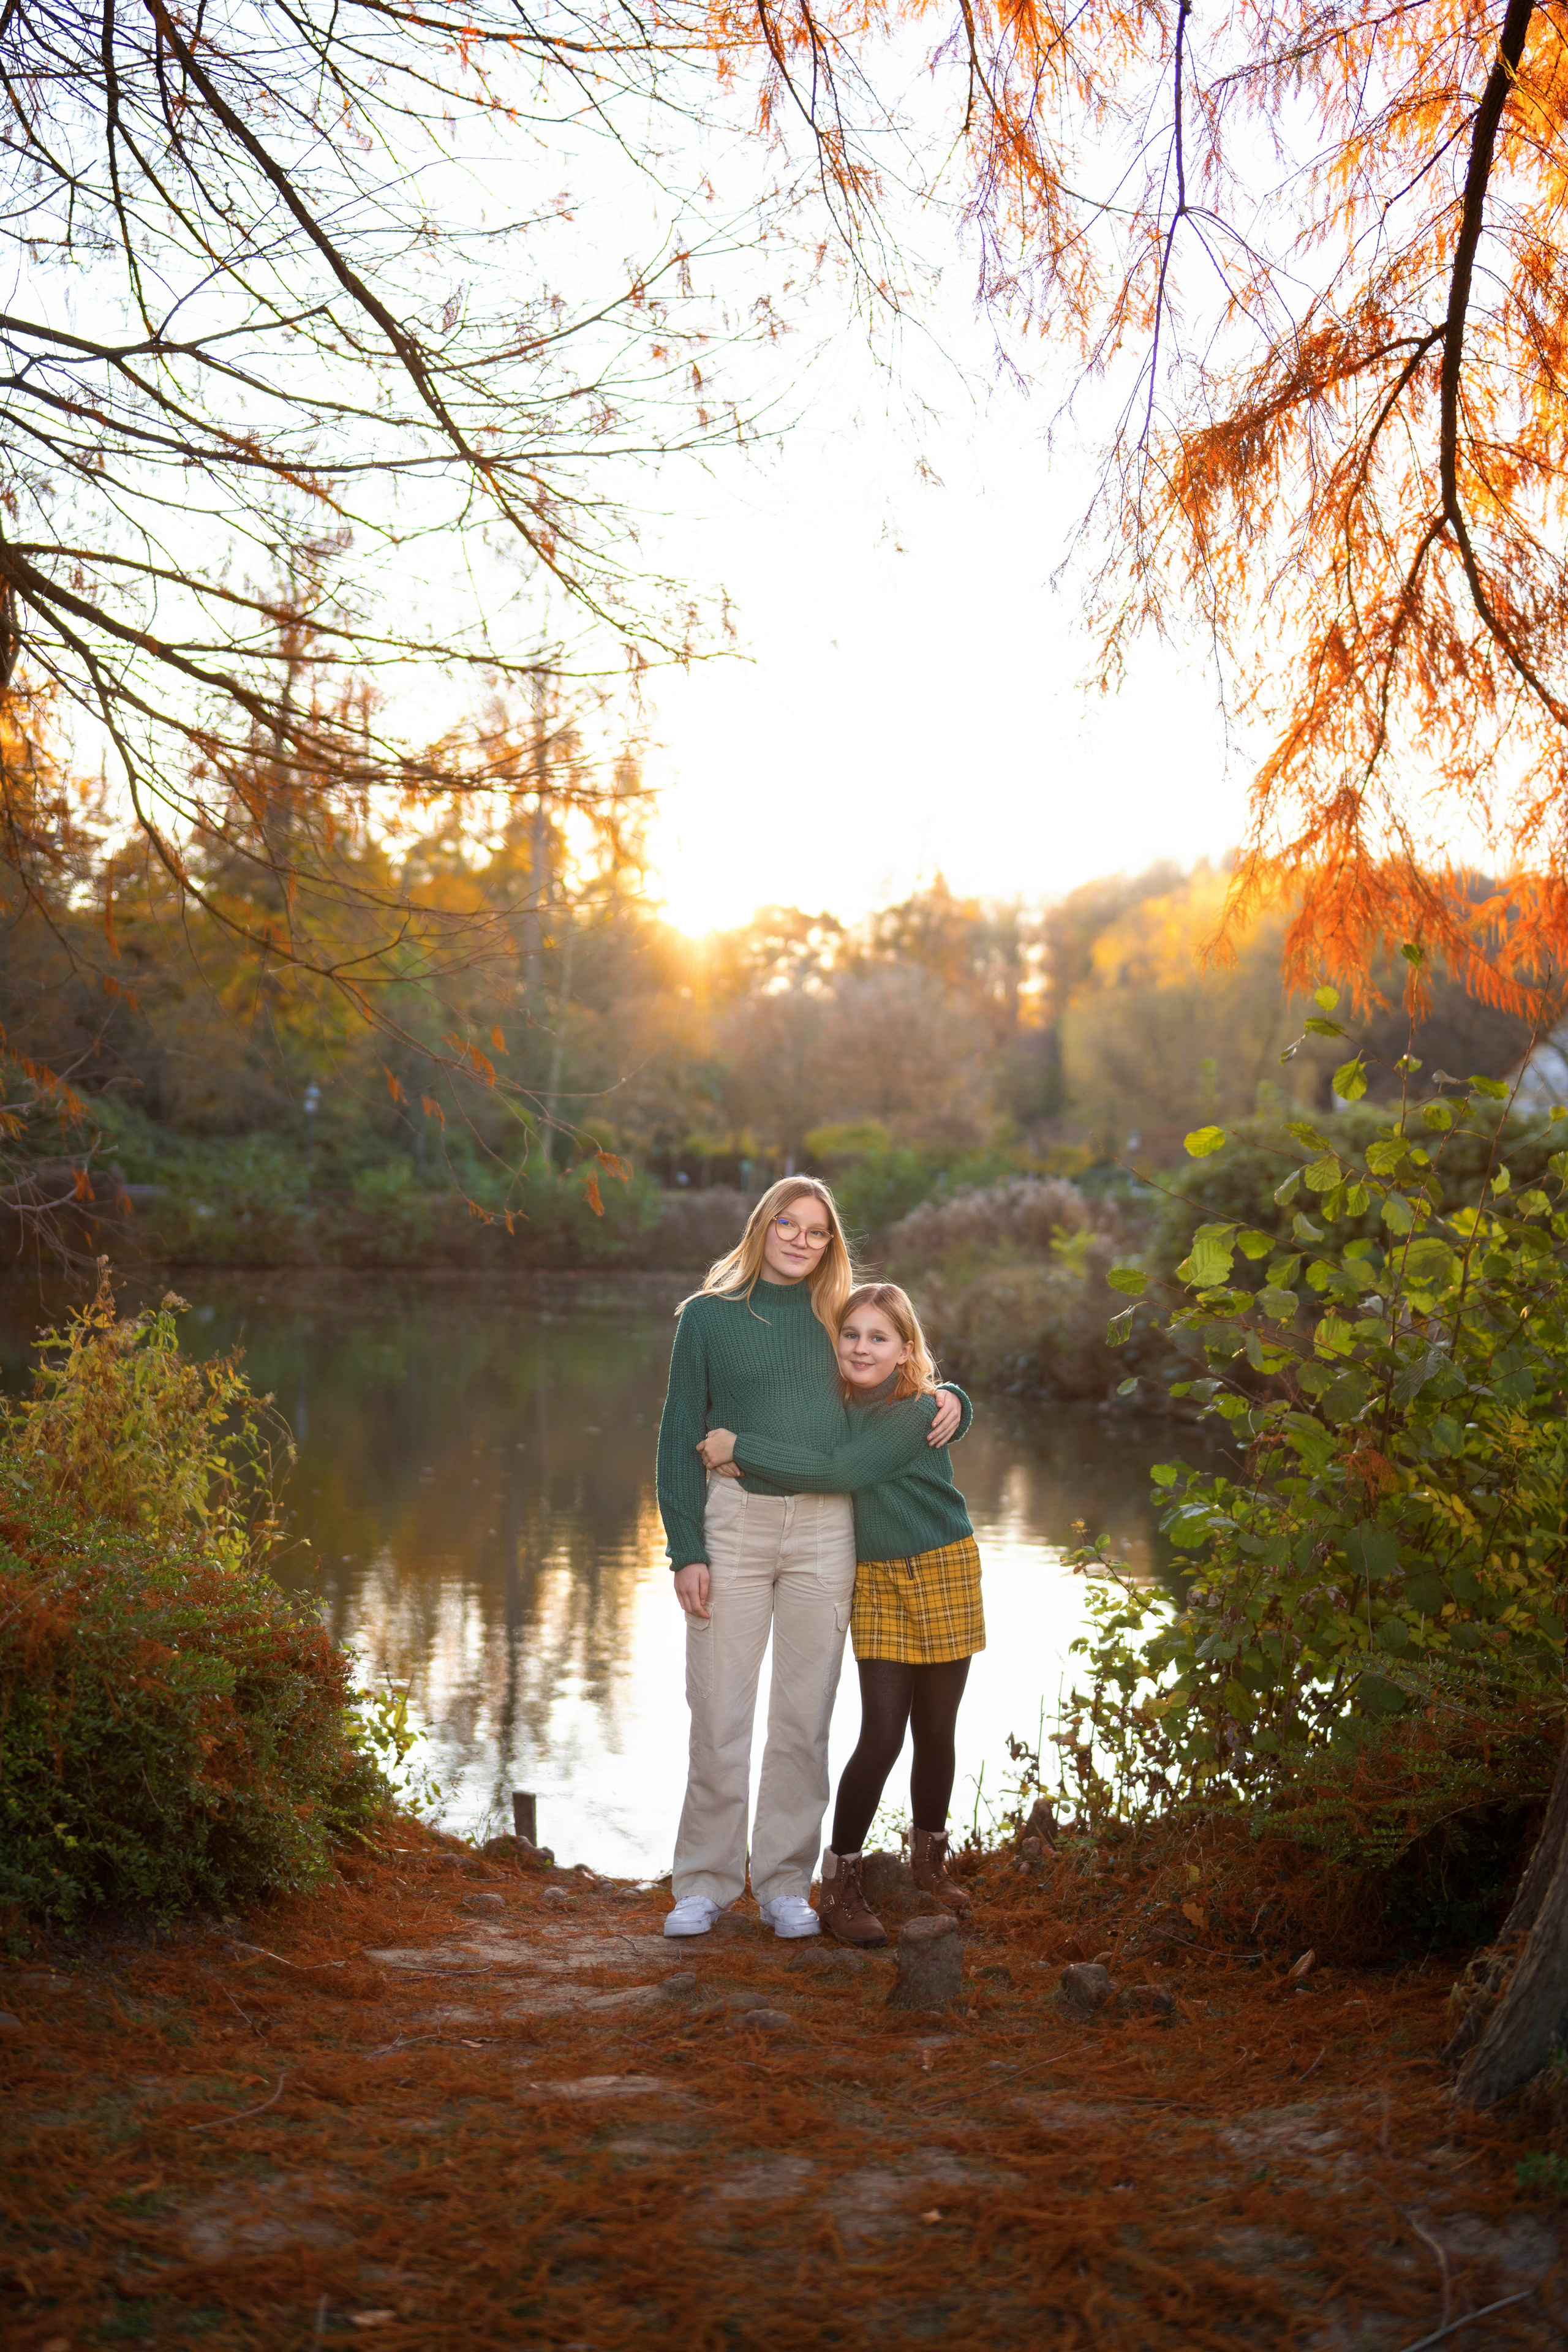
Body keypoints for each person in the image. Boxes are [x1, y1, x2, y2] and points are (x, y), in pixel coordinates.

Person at [655, 1181, 967, 1940]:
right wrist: (685, 1548)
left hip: (828, 1532)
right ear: (761, 1226)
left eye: (817, 1231)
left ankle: (788, 1884)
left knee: (804, 1717)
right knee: (719, 1710)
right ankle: (704, 1881)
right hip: (733, 1524)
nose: (799, 1239)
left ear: (831, 1244)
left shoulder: (836, 1316)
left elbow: (901, 1371)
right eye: (787, 1224)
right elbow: (674, 1437)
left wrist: (956, 1399)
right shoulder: (706, 1318)